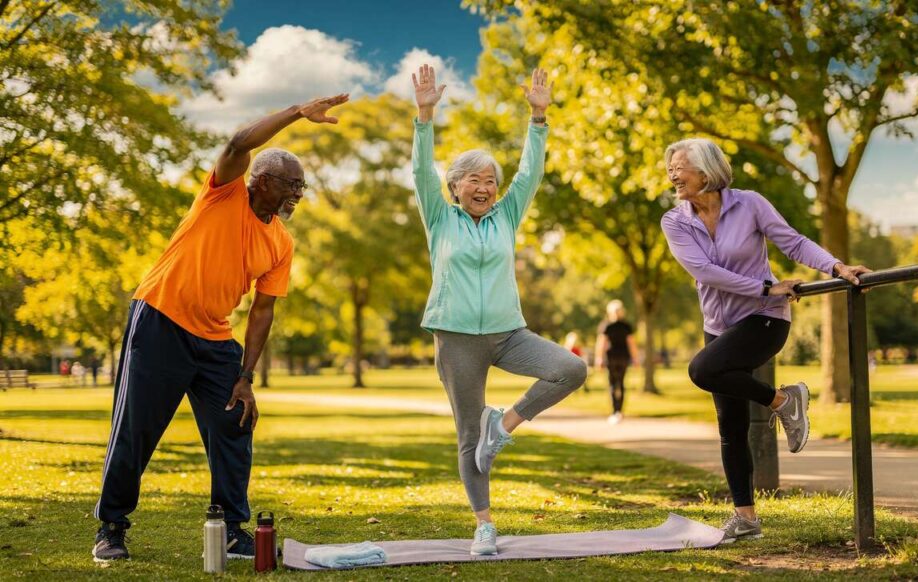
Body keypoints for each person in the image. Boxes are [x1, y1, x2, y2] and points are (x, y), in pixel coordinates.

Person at [91, 92, 350, 563]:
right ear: (261, 181)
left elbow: (262, 310)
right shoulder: (223, 193)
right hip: (160, 321)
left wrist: (246, 376)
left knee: (236, 420)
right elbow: (236, 142)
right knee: (136, 429)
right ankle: (111, 527)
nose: (298, 193)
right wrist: (295, 112)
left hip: (213, 338)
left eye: (302, 187)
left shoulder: (281, 242)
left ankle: (233, 529)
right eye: (291, 185)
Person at [411, 64, 586, 556]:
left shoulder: (507, 214)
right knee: (468, 435)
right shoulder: (439, 217)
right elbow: (421, 169)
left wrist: (538, 116)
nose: (484, 186)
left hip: (510, 332)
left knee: (570, 368)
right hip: (456, 336)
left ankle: (504, 425)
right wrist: (425, 115)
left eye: (490, 179)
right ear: (455, 185)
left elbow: (531, 173)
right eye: (473, 179)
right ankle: (484, 525)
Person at [660, 137, 870, 543]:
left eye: (680, 165)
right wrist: (766, 286)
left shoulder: (750, 203)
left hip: (765, 320)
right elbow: (704, 272)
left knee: (702, 369)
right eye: (670, 166)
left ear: (706, 170)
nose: (672, 173)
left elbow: (792, 241)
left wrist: (836, 266)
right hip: (721, 325)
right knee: (730, 426)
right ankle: (747, 518)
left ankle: (784, 402)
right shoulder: (675, 221)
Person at [593, 300, 639, 424]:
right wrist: (635, 358)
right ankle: (618, 411)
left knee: (615, 384)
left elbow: (602, 343)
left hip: (615, 357)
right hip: (620, 357)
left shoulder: (608, 325)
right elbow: (631, 344)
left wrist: (599, 358)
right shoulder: (624, 326)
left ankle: (616, 411)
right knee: (619, 383)